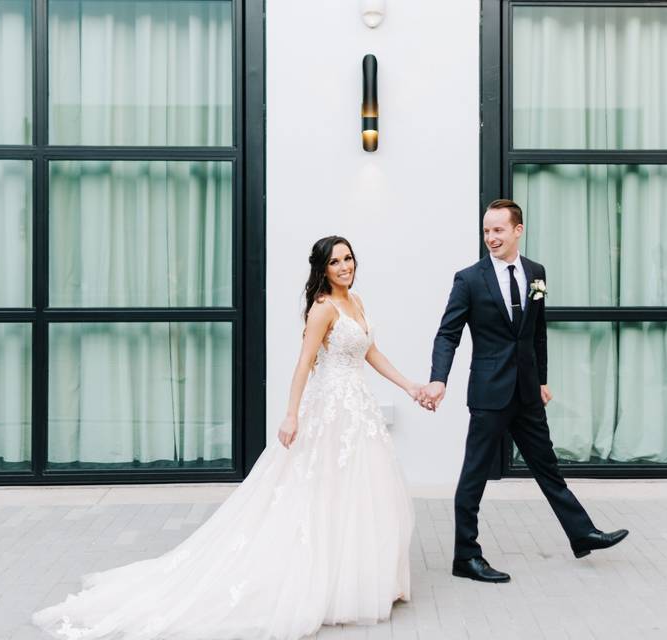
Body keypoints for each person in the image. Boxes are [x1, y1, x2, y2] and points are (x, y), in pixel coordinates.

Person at [33, 236, 418, 640]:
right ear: (322, 269)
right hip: (331, 412)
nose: (344, 266)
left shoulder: (355, 302)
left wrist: (409, 386)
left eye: (348, 258)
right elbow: (304, 363)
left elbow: (371, 353)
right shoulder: (323, 309)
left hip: (359, 412)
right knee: (320, 495)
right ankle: (329, 585)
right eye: (336, 262)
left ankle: (359, 580)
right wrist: (291, 415)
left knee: (356, 494)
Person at [419, 199, 629, 583]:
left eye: (498, 230)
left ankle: (581, 533)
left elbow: (537, 333)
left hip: (527, 392)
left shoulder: (535, 272)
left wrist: (542, 379)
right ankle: (465, 556)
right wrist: (439, 378)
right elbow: (447, 333)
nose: (491, 238)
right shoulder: (468, 279)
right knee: (474, 475)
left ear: (518, 230)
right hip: (490, 392)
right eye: (486, 231)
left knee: (547, 467)